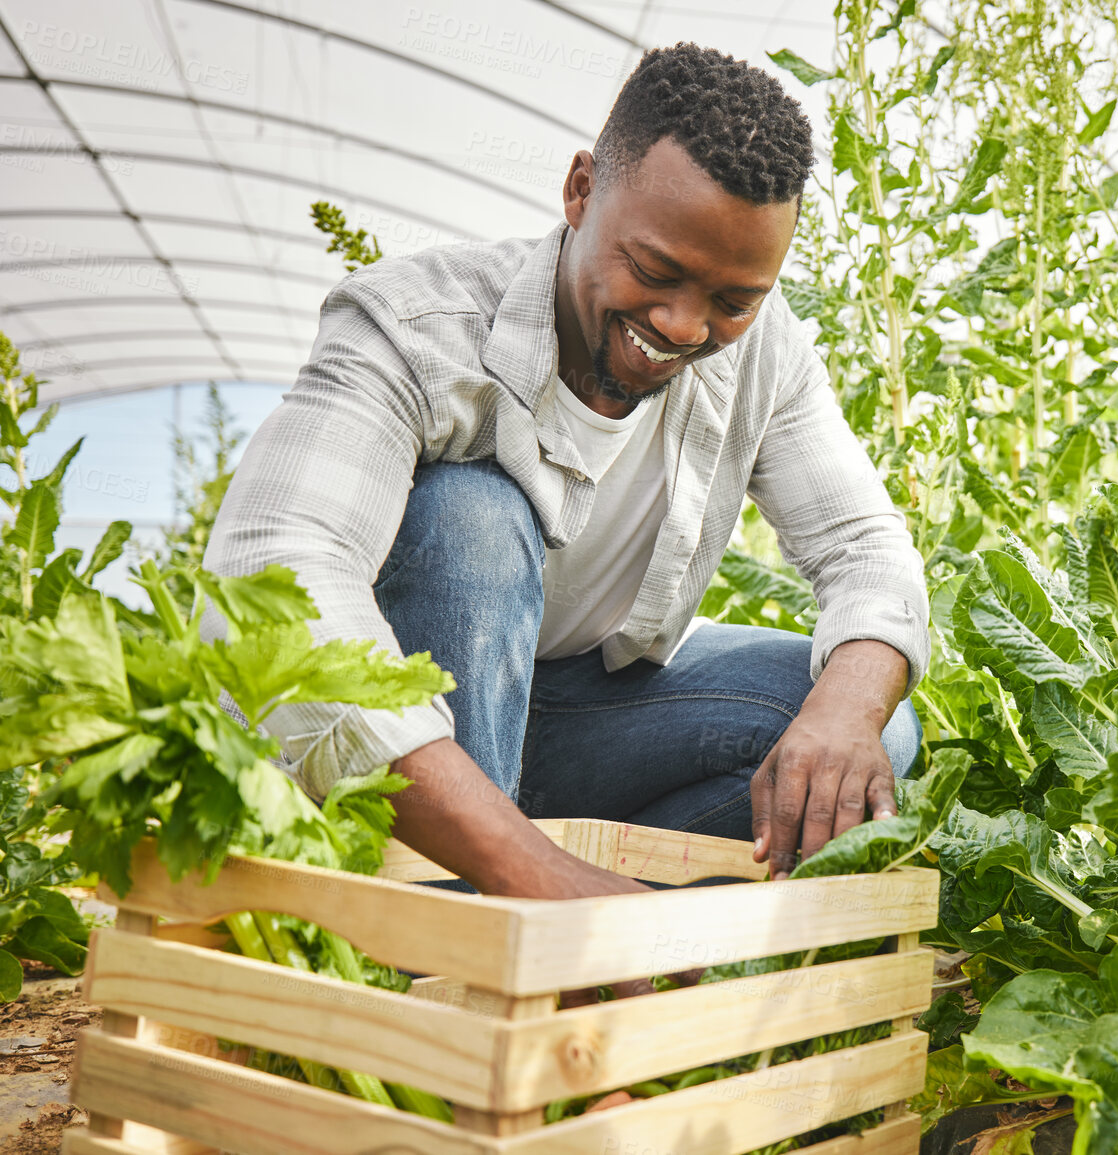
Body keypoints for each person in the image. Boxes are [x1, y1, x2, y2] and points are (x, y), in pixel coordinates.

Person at [203, 43, 929, 906]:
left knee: (864, 726)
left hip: (574, 718)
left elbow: (864, 547)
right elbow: (273, 564)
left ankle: (614, 917)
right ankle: (455, 914)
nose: (682, 325)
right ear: (580, 190)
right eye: (656, 271)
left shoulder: (766, 357)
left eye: (732, 301)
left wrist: (846, 711)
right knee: (468, 513)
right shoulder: (414, 326)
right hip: (396, 742)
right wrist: (528, 869)